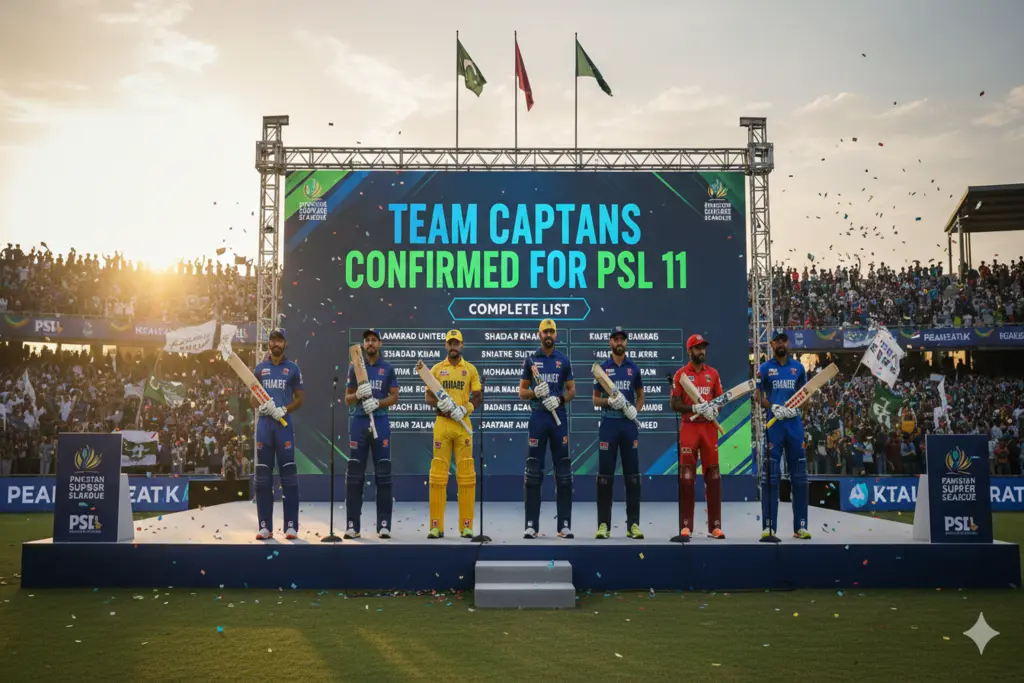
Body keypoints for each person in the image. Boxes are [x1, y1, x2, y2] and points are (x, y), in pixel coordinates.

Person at [519, 319, 576, 539]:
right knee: (533, 471)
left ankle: (564, 525)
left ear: (556, 334)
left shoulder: (563, 360)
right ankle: (531, 525)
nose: (548, 335)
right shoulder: (531, 360)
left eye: (552, 331)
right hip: (538, 417)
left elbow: (572, 391)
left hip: (558, 418)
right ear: (539, 334)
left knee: (563, 472)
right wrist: (536, 393)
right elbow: (522, 392)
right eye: (545, 332)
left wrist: (560, 399)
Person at [423, 329, 482, 539]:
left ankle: (466, 526)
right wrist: (440, 404)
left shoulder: (470, 369)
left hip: (463, 425)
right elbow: (428, 397)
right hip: (443, 425)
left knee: (466, 475)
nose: (453, 346)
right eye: (450, 343)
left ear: (462, 345)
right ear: (446, 345)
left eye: (456, 343)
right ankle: (435, 526)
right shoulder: (437, 369)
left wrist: (466, 408)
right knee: (438, 475)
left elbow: (478, 396)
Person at [345, 329, 400, 538]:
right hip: (359, 422)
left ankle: (384, 524)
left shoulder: (387, 368)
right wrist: (357, 394)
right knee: (355, 476)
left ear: (380, 343)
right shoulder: (355, 367)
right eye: (367, 340)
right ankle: (353, 525)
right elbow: (347, 398)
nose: (370, 343)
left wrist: (378, 403)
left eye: (374, 340)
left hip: (380, 421)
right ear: (363, 344)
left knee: (383, 474)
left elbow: (394, 397)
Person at [756, 331, 811, 540]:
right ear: (772, 344)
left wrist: (796, 407)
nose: (780, 344)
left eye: (783, 341)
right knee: (771, 476)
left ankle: (801, 527)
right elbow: (757, 396)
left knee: (800, 477)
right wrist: (774, 406)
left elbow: (806, 396)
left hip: (794, 425)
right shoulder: (764, 368)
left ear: (788, 343)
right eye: (777, 341)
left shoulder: (799, 368)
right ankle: (769, 527)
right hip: (774, 425)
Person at [670, 334, 726, 539]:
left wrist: (714, 409)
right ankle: (686, 526)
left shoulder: (713, 374)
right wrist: (694, 408)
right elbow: (674, 404)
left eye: (703, 348)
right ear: (689, 351)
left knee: (713, 476)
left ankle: (715, 527)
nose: (701, 351)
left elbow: (720, 399)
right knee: (686, 477)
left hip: (709, 428)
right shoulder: (681, 375)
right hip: (690, 428)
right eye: (697, 348)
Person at [252, 329, 305, 540]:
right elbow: (252, 398)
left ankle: (291, 526)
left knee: (289, 476)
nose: (276, 343)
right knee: (263, 477)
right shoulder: (259, 369)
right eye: (273, 340)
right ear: (269, 344)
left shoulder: (293, 368)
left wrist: (285, 409)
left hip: (283, 425)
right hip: (265, 425)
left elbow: (300, 399)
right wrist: (260, 405)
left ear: (285, 343)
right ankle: (265, 526)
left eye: (279, 340)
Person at [592, 326, 644, 539]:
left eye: (622, 339)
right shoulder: (602, 369)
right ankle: (603, 525)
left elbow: (640, 396)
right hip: (609, 424)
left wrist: (635, 410)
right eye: (616, 339)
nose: (619, 342)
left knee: (632, 477)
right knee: (605, 477)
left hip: (628, 425)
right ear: (610, 343)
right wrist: (609, 402)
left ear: (626, 343)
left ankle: (633, 525)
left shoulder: (634, 368)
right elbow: (595, 399)